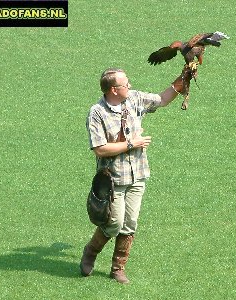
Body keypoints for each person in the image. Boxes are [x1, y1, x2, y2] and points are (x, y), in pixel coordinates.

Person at [80, 65, 193, 284]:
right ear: (113, 89)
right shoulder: (97, 113)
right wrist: (133, 143)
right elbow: (100, 149)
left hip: (138, 175)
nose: (129, 86)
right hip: (113, 179)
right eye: (125, 84)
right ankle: (91, 252)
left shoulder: (134, 98)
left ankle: (117, 268)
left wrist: (184, 76)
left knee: (130, 223)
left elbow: (162, 99)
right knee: (113, 223)